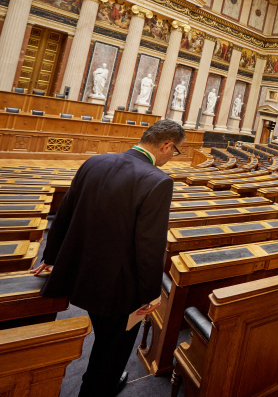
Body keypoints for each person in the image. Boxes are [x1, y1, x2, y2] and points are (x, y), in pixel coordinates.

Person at [32, 120, 186, 396]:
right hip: (118, 287)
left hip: (79, 272)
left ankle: (99, 381)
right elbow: (149, 244)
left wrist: (51, 256)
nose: (171, 159)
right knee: (114, 346)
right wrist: (150, 292)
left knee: (104, 338)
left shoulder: (95, 161)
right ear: (166, 145)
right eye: (175, 152)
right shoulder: (158, 180)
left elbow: (65, 211)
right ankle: (96, 390)